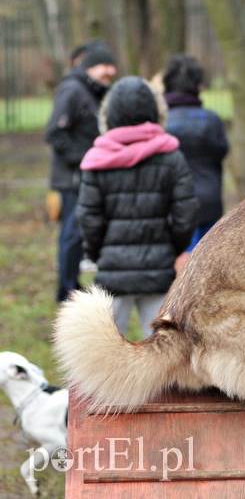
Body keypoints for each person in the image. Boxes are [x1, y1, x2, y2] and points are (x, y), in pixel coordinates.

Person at [77, 76, 199, 338]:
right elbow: (185, 213)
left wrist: (99, 254)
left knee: (101, 352)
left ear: (109, 114)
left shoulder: (96, 160)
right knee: (162, 356)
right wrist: (172, 248)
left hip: (112, 274)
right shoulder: (171, 155)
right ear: (155, 111)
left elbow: (88, 218)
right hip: (158, 271)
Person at [45, 40, 117, 302]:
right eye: (103, 65)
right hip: (72, 178)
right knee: (72, 235)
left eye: (112, 66)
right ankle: (65, 291)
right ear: (88, 67)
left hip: (87, 176)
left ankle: (72, 284)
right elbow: (54, 132)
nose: (109, 71)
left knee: (80, 234)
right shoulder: (72, 90)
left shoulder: (93, 91)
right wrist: (86, 158)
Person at [162, 54, 229, 272]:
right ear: (198, 85)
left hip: (175, 202)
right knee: (207, 261)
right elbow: (221, 151)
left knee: (181, 263)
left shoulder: (161, 121)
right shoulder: (211, 119)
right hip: (209, 199)